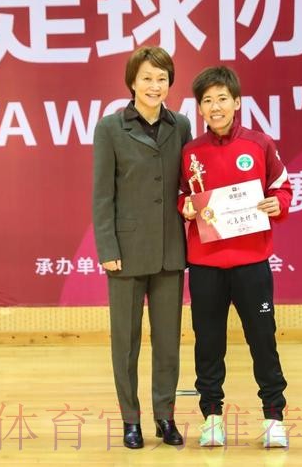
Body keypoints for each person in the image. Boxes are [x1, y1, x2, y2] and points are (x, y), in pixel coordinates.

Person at [179, 66, 292, 449]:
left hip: (251, 264)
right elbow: (181, 195)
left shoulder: (260, 144)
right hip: (206, 266)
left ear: (237, 102)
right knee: (208, 344)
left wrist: (279, 203)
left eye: (222, 99)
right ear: (199, 108)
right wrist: (185, 207)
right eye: (207, 101)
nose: (215, 107)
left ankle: (274, 417)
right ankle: (211, 417)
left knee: (263, 340)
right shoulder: (190, 152)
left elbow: (282, 188)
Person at [92, 46, 192, 449]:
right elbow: (103, 195)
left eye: (162, 78)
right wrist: (107, 247)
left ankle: (165, 416)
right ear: (132, 82)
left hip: (170, 250)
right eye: (147, 78)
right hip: (126, 253)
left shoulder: (180, 124)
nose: (155, 85)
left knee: (168, 342)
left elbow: (189, 184)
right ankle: (130, 420)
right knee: (126, 343)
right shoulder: (109, 128)